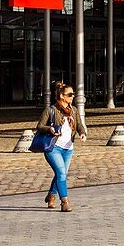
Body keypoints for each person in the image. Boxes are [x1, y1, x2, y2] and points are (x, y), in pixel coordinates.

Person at [35, 81, 87, 212]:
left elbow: (80, 125)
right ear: (62, 96)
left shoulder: (73, 110)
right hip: (54, 148)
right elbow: (39, 126)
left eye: (73, 94)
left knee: (61, 174)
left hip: (68, 149)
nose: (73, 96)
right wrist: (50, 129)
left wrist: (82, 133)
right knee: (61, 174)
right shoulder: (51, 110)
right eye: (70, 94)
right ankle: (64, 202)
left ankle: (51, 196)